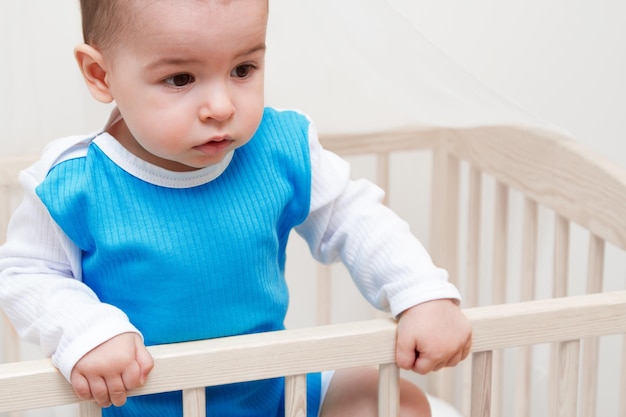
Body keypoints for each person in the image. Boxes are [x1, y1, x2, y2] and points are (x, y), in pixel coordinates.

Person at [0, 1, 472, 416]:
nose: (221, 106)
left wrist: (418, 290)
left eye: (243, 69)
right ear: (101, 75)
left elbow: (355, 216)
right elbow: (26, 273)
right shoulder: (73, 183)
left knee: (396, 403)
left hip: (278, 391)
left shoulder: (280, 149)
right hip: (145, 406)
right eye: (180, 78)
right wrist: (86, 331)